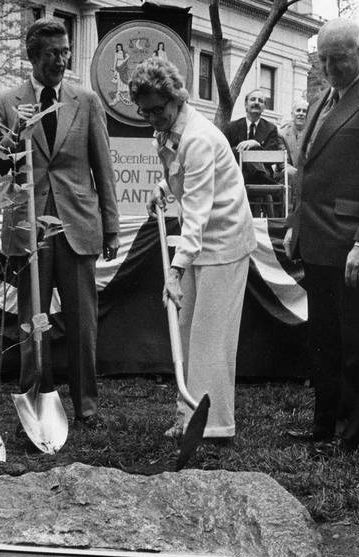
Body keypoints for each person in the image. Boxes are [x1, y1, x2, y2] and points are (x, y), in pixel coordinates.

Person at [0, 18, 119, 435]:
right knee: (33, 320)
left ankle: (86, 408)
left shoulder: (86, 100)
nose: (61, 60)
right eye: (52, 54)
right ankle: (36, 402)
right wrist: (12, 139)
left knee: (82, 324)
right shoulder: (7, 101)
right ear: (32, 55)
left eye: (64, 52)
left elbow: (103, 167)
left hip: (77, 227)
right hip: (28, 228)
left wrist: (110, 227)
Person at [283, 18, 359, 453]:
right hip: (316, 241)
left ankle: (357, 435)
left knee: (354, 343)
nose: (330, 68)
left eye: (338, 59)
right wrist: (295, 228)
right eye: (323, 61)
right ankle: (324, 423)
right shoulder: (321, 101)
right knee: (322, 341)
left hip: (352, 244)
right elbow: (310, 171)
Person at [129, 56, 256, 442]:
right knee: (187, 334)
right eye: (145, 111)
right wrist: (163, 190)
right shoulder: (168, 131)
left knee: (211, 339)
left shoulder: (199, 138)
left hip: (226, 243)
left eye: (158, 109)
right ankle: (188, 416)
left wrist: (174, 270)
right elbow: (183, 180)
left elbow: (198, 212)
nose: (153, 118)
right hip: (201, 240)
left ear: (176, 99)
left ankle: (216, 428)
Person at [223, 89, 283, 217]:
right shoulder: (231, 127)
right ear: (245, 104)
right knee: (240, 154)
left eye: (260, 101)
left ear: (264, 107)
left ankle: (260, 175)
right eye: (253, 99)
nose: (256, 103)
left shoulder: (271, 128)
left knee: (252, 151)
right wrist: (244, 151)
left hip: (261, 172)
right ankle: (262, 177)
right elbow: (224, 152)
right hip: (237, 173)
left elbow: (273, 155)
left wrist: (256, 144)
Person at [279, 98, 308, 169]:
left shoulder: (313, 133)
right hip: (288, 172)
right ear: (292, 114)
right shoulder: (282, 134)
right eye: (298, 110)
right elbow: (283, 162)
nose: (301, 113)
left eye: (304, 111)